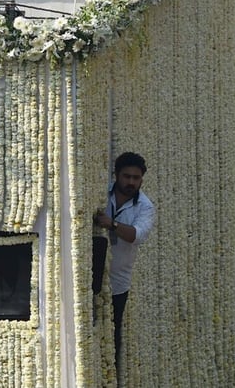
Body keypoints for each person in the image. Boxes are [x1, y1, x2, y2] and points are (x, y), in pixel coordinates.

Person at [93, 151, 155, 363]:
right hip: (89, 276)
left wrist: (112, 224)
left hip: (118, 282)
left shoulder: (145, 206)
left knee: (112, 333)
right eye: (126, 176)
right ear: (116, 175)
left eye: (136, 178)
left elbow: (137, 235)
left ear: (142, 180)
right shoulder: (100, 193)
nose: (131, 182)